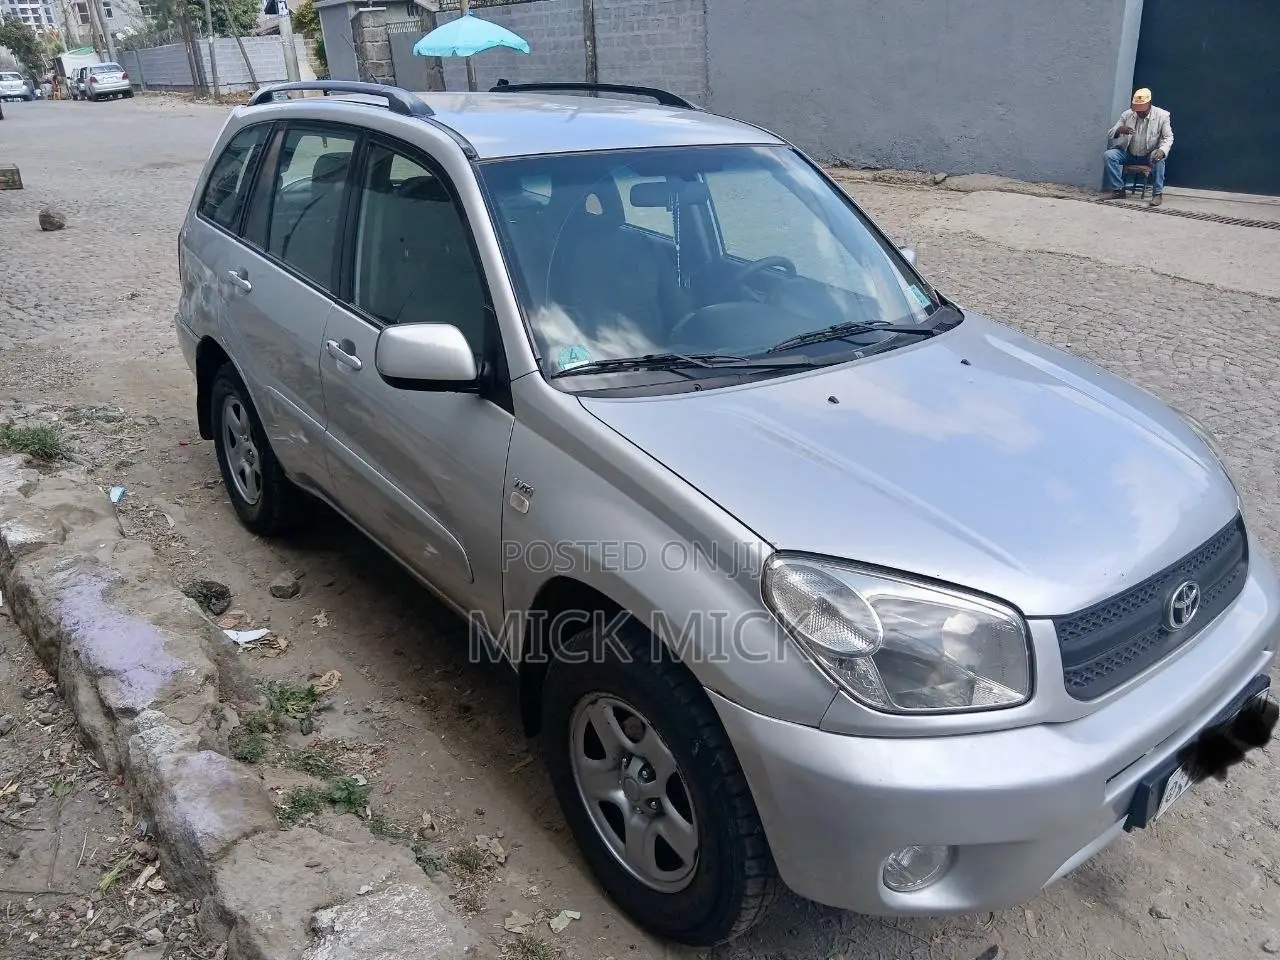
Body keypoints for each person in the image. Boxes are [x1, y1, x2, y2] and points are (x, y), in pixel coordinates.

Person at [1102, 87, 1173, 206]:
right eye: (1137, 110)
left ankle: (1157, 194)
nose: (1139, 113)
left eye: (1142, 110)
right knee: (1109, 155)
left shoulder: (1162, 116)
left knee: (1159, 158)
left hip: (1149, 155)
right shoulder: (1127, 114)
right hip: (1129, 153)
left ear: (1149, 104)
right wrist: (1119, 130)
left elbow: (1168, 137)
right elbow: (1110, 133)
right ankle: (1118, 190)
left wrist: (1162, 150)